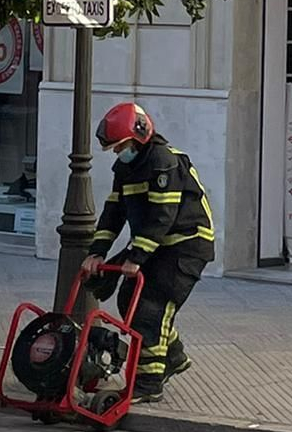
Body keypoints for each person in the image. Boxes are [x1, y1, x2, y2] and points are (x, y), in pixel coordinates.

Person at [79, 102, 214, 403]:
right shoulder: (126, 168)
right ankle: (174, 358)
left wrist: (135, 257)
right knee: (129, 301)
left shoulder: (163, 162)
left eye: (121, 146)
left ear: (139, 136)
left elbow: (162, 217)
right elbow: (114, 212)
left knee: (151, 311)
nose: (117, 153)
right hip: (156, 246)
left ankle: (148, 384)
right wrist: (98, 251)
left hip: (185, 247)